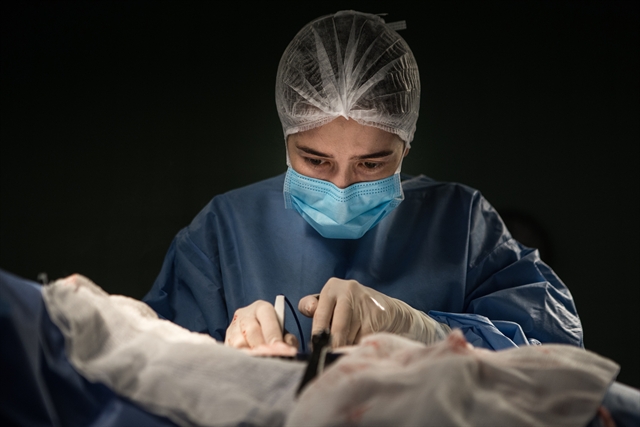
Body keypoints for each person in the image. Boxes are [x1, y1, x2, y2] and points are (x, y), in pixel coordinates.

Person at [143, 10, 583, 352]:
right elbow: (145, 373)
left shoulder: (462, 225)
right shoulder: (222, 231)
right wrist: (221, 357)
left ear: (405, 146)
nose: (340, 187)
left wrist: (424, 332)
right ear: (286, 140)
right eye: (315, 160)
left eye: (371, 165)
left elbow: (555, 362)